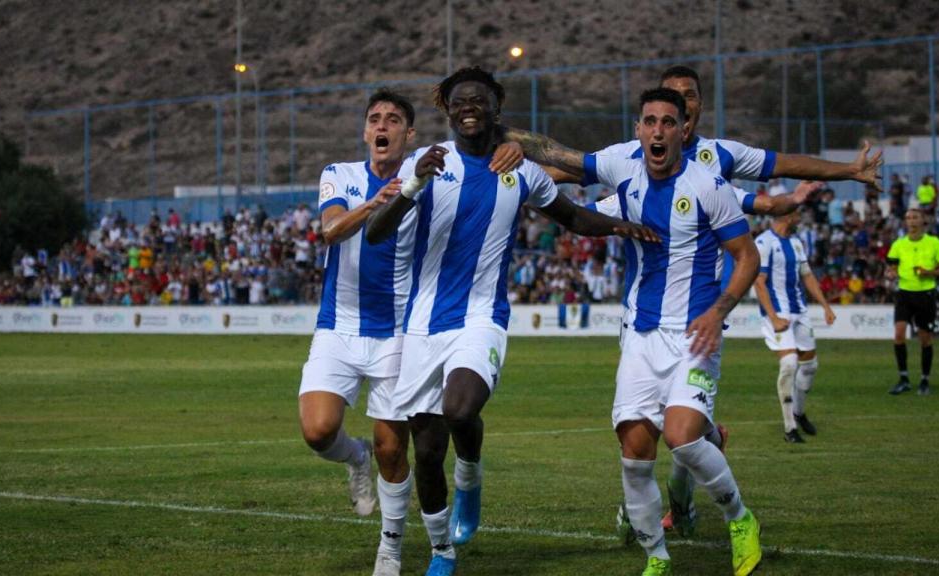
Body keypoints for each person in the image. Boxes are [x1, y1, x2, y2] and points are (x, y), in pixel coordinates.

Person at [504, 63, 875, 535]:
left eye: (690, 96)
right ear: (646, 122)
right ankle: (673, 498)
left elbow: (780, 164)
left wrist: (843, 172)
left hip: (697, 316)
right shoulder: (632, 160)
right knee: (646, 430)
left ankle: (680, 507)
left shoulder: (718, 159)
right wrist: (517, 173)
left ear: (693, 110)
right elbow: (571, 169)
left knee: (679, 431)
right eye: (669, 100)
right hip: (642, 315)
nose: (679, 106)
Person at [366, 66, 655, 576]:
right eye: (459, 102)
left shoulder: (518, 169)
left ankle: (471, 476)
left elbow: (573, 217)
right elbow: (375, 233)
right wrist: (412, 183)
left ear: (496, 109)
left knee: (460, 411)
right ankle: (440, 552)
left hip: (482, 317)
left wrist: (622, 226)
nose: (468, 108)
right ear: (448, 111)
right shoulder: (428, 162)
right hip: (422, 325)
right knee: (427, 452)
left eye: (478, 100)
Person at [296, 89, 526, 576]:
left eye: (394, 120)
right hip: (337, 326)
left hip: (400, 333)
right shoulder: (339, 175)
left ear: (410, 136)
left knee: (393, 449)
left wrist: (515, 148)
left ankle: (391, 551)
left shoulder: (431, 174)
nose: (382, 126)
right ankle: (351, 455)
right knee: (317, 431)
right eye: (375, 119)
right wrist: (381, 202)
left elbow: (486, 154)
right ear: (365, 132)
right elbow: (331, 230)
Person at [574, 87, 763, 576]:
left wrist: (718, 311)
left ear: (683, 131)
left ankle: (740, 520)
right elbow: (570, 178)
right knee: (635, 453)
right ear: (638, 130)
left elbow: (747, 256)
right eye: (649, 121)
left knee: (682, 437)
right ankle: (657, 557)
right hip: (640, 335)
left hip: (695, 335)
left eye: (667, 122)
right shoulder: (625, 176)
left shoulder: (708, 184)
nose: (658, 130)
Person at [752, 207, 837, 443]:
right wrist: (773, 317)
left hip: (799, 311)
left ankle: (799, 412)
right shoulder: (764, 242)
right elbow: (759, 282)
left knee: (809, 366)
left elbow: (807, 275)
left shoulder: (797, 242)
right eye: (798, 215)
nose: (800, 218)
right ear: (787, 216)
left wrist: (825, 306)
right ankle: (790, 428)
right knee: (789, 364)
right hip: (778, 313)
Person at [886, 208, 939, 396]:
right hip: (904, 294)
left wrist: (929, 272)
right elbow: (891, 268)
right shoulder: (898, 244)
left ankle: (924, 380)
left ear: (924, 221)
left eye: (915, 217)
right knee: (899, 334)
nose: (911, 221)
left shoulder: (934, 243)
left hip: (925, 295)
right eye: (908, 218)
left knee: (925, 339)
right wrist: (890, 274)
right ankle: (904, 379)